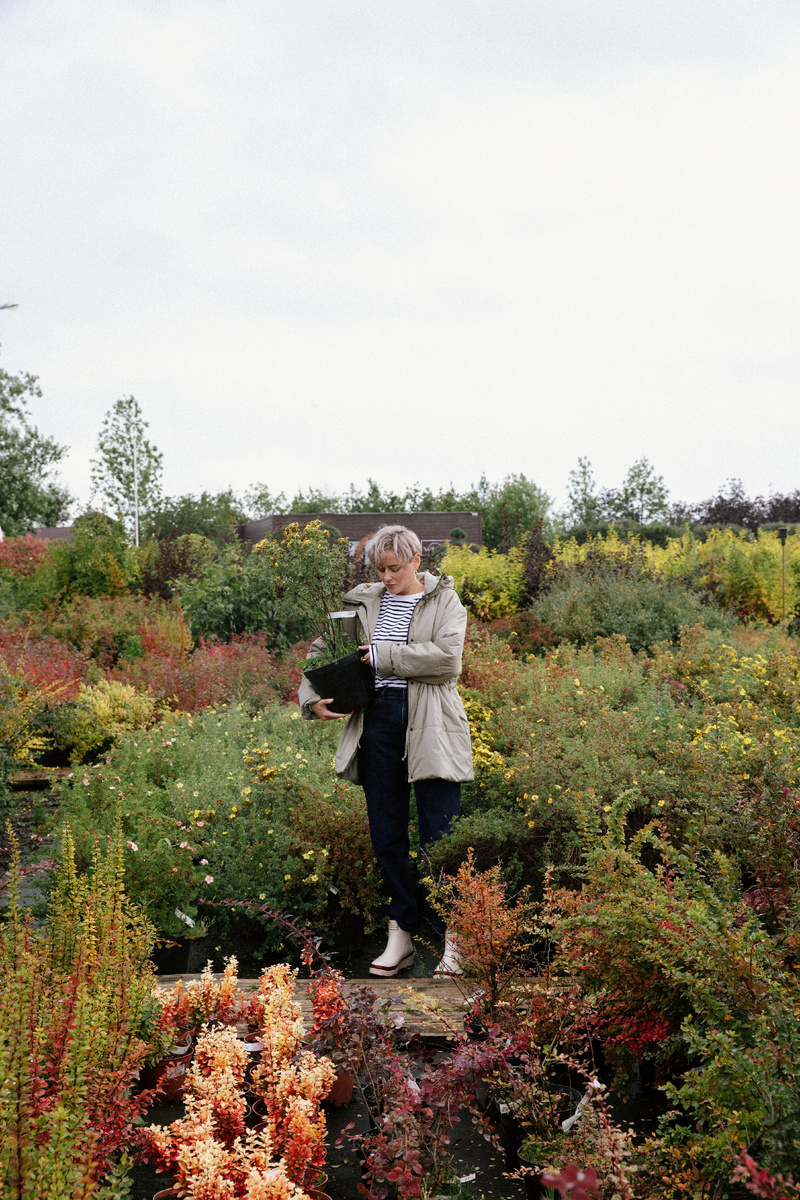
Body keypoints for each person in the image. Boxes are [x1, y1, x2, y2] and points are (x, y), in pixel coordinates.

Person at [298, 524, 474, 977]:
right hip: (375, 722)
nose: (388, 576)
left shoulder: (446, 601)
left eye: (395, 568)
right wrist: (310, 697)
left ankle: (454, 938)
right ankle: (401, 935)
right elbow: (321, 653)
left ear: (417, 561)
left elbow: (446, 660)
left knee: (441, 835)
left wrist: (382, 657)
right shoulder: (362, 601)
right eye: (381, 568)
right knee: (387, 834)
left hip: (430, 724)